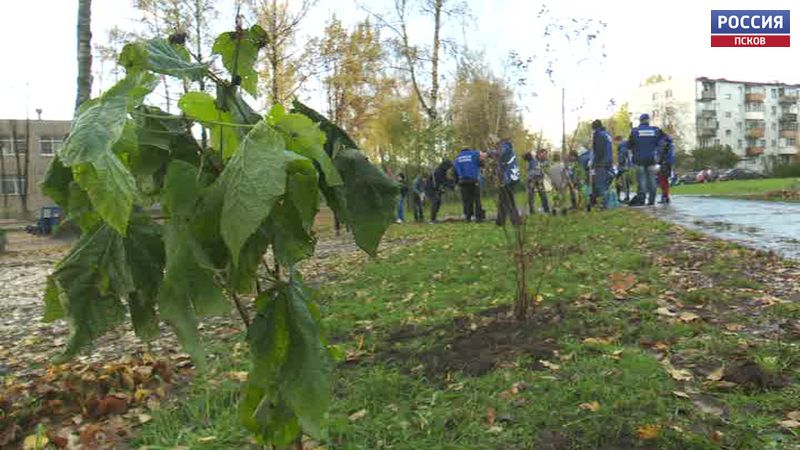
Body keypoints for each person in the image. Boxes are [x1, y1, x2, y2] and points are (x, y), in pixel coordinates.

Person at [628, 113, 663, 206]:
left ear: (640, 120)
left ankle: (642, 199)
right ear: (648, 120)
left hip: (639, 159)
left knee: (641, 180)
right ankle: (652, 200)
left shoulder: (635, 131)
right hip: (651, 159)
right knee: (652, 180)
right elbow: (661, 143)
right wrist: (658, 155)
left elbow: (630, 144)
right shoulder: (655, 130)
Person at [492, 139, 522, 226]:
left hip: (508, 178)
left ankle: (515, 220)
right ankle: (500, 221)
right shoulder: (507, 151)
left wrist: (488, 153)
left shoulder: (506, 147)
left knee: (508, 200)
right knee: (503, 200)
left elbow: (499, 153)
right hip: (507, 178)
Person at [453, 148, 485, 222]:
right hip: (474, 180)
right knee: (477, 199)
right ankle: (478, 218)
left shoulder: (457, 157)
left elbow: (454, 171)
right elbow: (481, 161)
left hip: (463, 181)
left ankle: (468, 218)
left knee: (467, 200)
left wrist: (457, 182)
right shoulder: (474, 153)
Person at [589, 120, 614, 210]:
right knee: (605, 183)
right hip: (609, 161)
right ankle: (604, 203)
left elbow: (598, 150)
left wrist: (594, 162)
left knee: (600, 184)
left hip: (601, 163)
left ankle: (604, 205)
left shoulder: (598, 134)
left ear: (594, 128)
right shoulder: (607, 134)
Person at [426, 159, 453, 223]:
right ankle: (432, 219)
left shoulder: (443, 171)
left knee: (438, 203)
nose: (449, 168)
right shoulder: (438, 171)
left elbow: (445, 179)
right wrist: (449, 184)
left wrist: (450, 183)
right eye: (449, 166)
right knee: (435, 202)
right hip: (431, 189)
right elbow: (442, 180)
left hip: (436, 188)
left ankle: (434, 218)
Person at [524, 148, 550, 214]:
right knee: (531, 195)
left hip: (539, 179)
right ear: (539, 153)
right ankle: (532, 211)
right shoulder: (532, 159)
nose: (544, 156)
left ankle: (546, 210)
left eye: (545, 155)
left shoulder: (544, 161)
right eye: (543, 154)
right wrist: (529, 154)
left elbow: (545, 168)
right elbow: (525, 156)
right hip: (531, 179)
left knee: (543, 194)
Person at [657, 133, 676, 204]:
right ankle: (665, 197)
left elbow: (661, 154)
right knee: (665, 181)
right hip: (669, 164)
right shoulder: (671, 144)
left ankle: (665, 197)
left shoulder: (663, 143)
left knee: (662, 181)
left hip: (664, 164)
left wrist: (658, 162)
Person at [615, 135, 634, 202]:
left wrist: (619, 162)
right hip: (628, 166)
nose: (616, 144)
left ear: (618, 140)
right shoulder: (626, 145)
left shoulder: (622, 146)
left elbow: (621, 156)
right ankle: (626, 196)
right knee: (626, 182)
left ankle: (621, 197)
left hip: (623, 167)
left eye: (616, 142)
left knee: (619, 182)